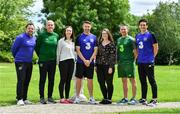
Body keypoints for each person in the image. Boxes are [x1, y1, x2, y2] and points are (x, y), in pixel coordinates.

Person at [11, 22, 36, 105]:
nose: (30, 30)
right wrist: (18, 58)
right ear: (26, 29)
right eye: (29, 28)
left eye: (32, 28)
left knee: (27, 80)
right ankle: (19, 99)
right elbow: (13, 49)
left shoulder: (34, 38)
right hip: (20, 62)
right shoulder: (20, 37)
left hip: (29, 62)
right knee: (21, 80)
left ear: (34, 30)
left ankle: (25, 98)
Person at [136, 19, 158, 107]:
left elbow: (156, 47)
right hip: (140, 61)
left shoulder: (151, 35)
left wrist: (152, 58)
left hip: (149, 61)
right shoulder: (137, 35)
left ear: (147, 26)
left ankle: (154, 99)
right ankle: (143, 98)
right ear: (139, 26)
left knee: (151, 80)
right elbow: (138, 48)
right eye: (141, 25)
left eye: (144, 25)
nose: (142, 26)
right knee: (142, 81)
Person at [74, 21, 98, 104]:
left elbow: (95, 50)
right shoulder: (79, 37)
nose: (87, 28)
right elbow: (77, 50)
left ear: (90, 27)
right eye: (85, 26)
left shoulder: (94, 37)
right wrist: (84, 60)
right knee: (79, 80)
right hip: (81, 62)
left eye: (88, 26)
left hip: (90, 63)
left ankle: (91, 97)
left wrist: (90, 60)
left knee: (90, 80)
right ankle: (77, 97)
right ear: (83, 27)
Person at [35, 20, 59, 104]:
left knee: (51, 79)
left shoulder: (56, 35)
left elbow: (57, 48)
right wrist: (41, 55)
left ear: (54, 26)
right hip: (43, 61)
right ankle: (42, 97)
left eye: (52, 25)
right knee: (42, 79)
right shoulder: (41, 35)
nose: (50, 26)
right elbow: (37, 47)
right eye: (48, 25)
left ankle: (50, 97)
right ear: (46, 26)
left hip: (52, 61)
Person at [116, 25, 137, 105]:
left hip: (129, 62)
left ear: (127, 30)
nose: (123, 30)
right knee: (124, 81)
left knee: (132, 80)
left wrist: (133, 61)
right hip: (121, 63)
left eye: (124, 29)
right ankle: (125, 98)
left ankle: (134, 98)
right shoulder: (119, 39)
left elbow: (135, 52)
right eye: (122, 29)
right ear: (120, 31)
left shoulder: (131, 39)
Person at [96, 28, 116, 104]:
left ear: (108, 34)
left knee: (109, 82)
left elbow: (113, 56)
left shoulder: (111, 44)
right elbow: (97, 55)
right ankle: (105, 98)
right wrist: (95, 65)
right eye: (103, 34)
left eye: (106, 33)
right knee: (101, 82)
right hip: (99, 65)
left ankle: (109, 99)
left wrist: (111, 67)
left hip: (108, 66)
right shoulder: (99, 43)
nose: (104, 35)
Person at [56, 26, 76, 104]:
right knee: (63, 79)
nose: (69, 32)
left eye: (70, 31)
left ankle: (67, 98)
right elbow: (58, 52)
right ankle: (62, 97)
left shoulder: (73, 41)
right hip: (63, 61)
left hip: (71, 61)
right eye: (67, 30)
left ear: (72, 32)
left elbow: (75, 53)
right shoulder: (61, 41)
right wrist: (58, 62)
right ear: (65, 32)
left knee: (68, 80)